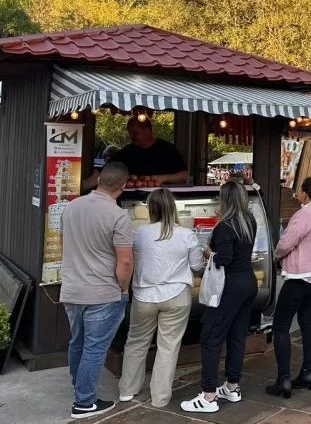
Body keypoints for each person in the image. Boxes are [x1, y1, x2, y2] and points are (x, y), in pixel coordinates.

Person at [60, 162, 134, 420]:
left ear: (100, 178)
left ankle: (79, 387)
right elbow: (125, 261)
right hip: (103, 293)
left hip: (72, 289)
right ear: (123, 186)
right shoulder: (118, 216)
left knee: (77, 342)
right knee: (95, 348)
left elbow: (64, 245)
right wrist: (123, 289)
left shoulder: (71, 207)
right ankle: (84, 402)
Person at [119, 189, 204, 407]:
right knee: (168, 347)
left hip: (144, 295)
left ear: (151, 209)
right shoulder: (187, 234)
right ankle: (160, 398)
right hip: (176, 296)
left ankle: (127, 390)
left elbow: (130, 260)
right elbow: (197, 266)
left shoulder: (139, 233)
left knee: (136, 343)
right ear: (173, 209)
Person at [182, 181, 258, 413]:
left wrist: (207, 251)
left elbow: (223, 259)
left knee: (211, 338)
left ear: (224, 200)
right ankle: (232, 387)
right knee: (237, 336)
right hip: (248, 282)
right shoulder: (249, 221)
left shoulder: (225, 226)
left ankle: (208, 396)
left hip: (229, 286)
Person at [266, 177, 311, 398]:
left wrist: (276, 255)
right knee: (307, 320)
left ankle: (283, 379)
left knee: (281, 326)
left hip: (299, 276)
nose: (298, 195)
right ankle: (308, 372)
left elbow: (286, 243)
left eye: (300, 191)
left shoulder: (305, 214)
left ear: (306, 193)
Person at [112, 117, 189, 184]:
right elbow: (108, 170)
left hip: (162, 196)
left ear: (148, 130)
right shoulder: (126, 152)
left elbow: (184, 175)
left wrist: (162, 178)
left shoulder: (167, 149)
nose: (132, 136)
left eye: (135, 133)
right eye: (130, 133)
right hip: (132, 198)